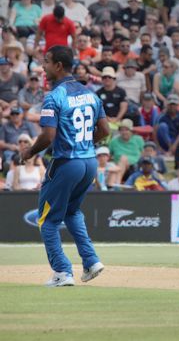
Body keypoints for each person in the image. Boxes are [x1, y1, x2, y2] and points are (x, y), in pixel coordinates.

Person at [20, 45, 109, 287]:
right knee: (71, 212)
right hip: (89, 162)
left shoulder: (54, 96)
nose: (42, 66)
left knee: (47, 220)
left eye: (46, 61)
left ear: (58, 66)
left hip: (67, 163)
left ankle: (62, 271)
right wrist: (83, 145)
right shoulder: (91, 94)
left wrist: (28, 151)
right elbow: (105, 130)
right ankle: (91, 261)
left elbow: (48, 136)